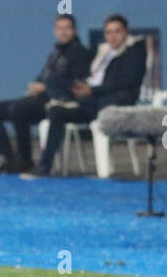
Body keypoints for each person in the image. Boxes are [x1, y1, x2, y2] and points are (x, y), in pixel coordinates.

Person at [24, 13, 147, 177]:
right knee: (55, 101)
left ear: (125, 32)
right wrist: (84, 86)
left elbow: (125, 82)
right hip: (89, 100)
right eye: (108, 32)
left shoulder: (135, 53)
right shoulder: (103, 52)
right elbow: (93, 76)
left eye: (117, 31)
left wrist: (92, 91)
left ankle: (66, 101)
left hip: (110, 104)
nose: (112, 36)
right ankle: (44, 166)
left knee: (60, 102)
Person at [0, 13, 91, 173]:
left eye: (67, 28)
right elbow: (43, 77)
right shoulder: (55, 53)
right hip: (38, 98)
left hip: (58, 102)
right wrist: (35, 86)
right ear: (54, 30)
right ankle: (9, 158)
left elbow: (76, 86)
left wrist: (45, 88)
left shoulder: (81, 53)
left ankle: (24, 160)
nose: (63, 32)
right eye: (59, 28)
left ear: (74, 30)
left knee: (18, 109)